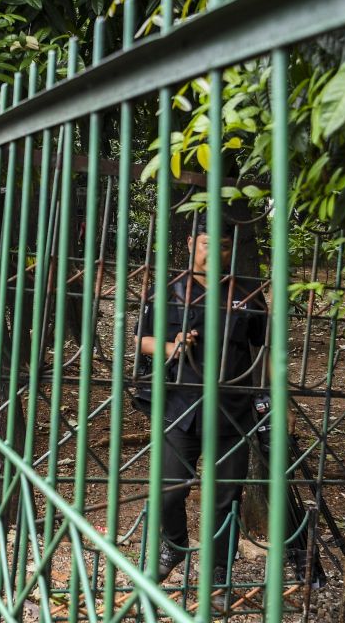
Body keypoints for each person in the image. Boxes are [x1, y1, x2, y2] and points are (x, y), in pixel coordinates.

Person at [138, 226, 266, 602]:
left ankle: (219, 575)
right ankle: (174, 544)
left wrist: (282, 400)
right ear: (192, 243)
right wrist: (170, 345)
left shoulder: (248, 297)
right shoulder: (167, 292)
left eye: (224, 247)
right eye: (209, 244)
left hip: (233, 411)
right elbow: (140, 341)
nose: (216, 253)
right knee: (168, 490)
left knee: (226, 499)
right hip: (179, 408)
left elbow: (264, 352)